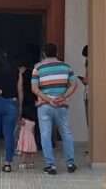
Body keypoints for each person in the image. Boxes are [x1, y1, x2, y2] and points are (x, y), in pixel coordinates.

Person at [32, 43, 78, 174]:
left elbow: (34, 88)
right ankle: (70, 163)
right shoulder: (66, 67)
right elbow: (74, 85)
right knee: (66, 133)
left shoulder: (38, 68)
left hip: (45, 106)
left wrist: (48, 99)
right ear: (56, 52)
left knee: (45, 135)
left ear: (44, 53)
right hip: (61, 105)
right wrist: (62, 96)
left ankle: (50, 165)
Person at [16, 53, 40, 169]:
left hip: (26, 107)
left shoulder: (22, 75)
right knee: (31, 132)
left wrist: (19, 111)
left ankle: (24, 160)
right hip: (35, 106)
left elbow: (20, 92)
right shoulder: (35, 74)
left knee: (25, 134)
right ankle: (31, 160)